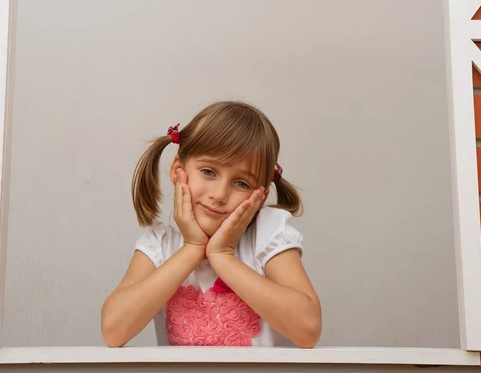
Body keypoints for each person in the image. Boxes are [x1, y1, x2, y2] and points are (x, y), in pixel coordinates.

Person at [101, 100, 321, 348]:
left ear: (259, 197)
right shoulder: (160, 246)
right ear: (178, 170)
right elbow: (113, 330)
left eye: (241, 184)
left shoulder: (267, 234)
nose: (219, 194)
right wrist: (192, 248)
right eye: (208, 171)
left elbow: (308, 329)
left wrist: (222, 255)